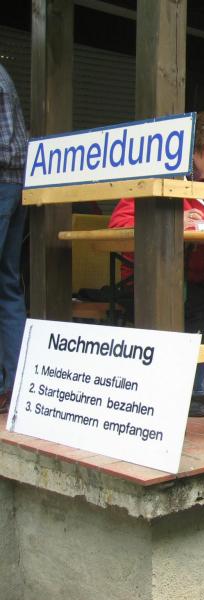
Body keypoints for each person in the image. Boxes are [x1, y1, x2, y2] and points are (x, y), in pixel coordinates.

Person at [110, 111, 204, 418]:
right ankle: (184, 391)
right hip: (150, 277)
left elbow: (202, 232)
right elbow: (119, 226)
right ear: (194, 153)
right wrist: (172, 221)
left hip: (193, 274)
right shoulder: (158, 177)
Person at [0, 65, 27, 415]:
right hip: (14, 185)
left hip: (4, 184)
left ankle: (9, 384)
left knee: (6, 285)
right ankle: (13, 385)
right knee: (7, 285)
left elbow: (4, 148)